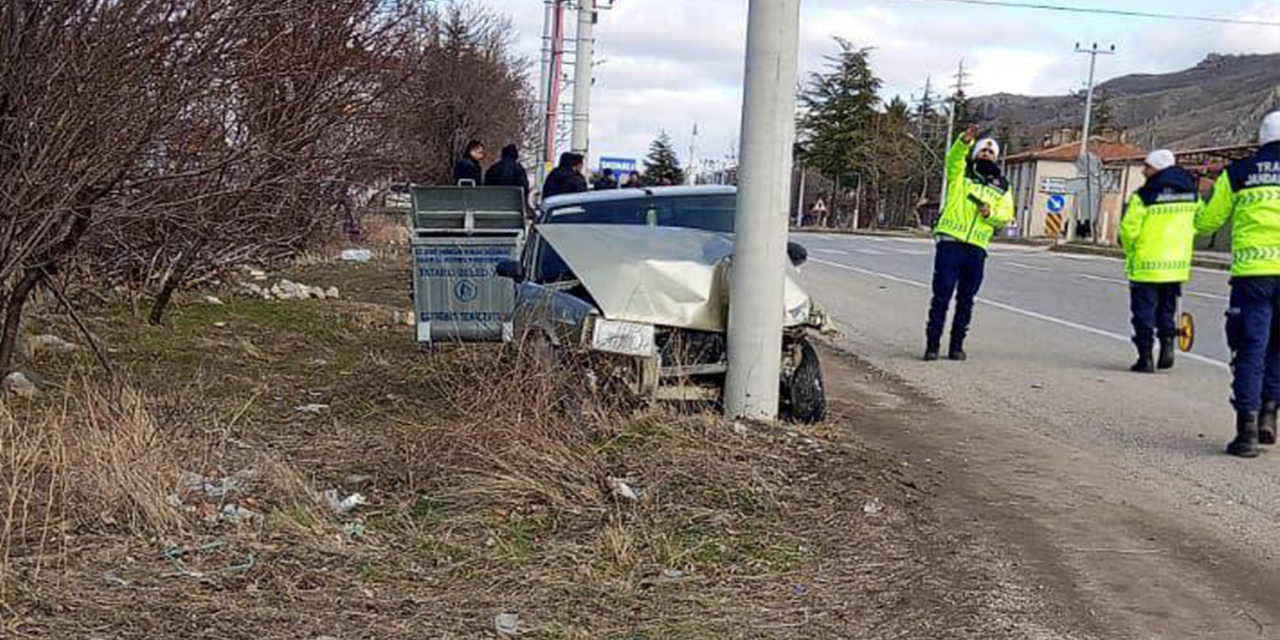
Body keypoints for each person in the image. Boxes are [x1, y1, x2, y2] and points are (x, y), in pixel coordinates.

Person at [1195, 110, 1280, 458]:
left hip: (1253, 275)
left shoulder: (1239, 172)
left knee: (1250, 349)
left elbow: (1207, 222)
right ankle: (1270, 414)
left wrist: (1197, 204)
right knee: (1278, 347)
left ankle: (1246, 431)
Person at [923, 125, 1014, 361]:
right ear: (975, 153)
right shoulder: (961, 173)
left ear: (996, 157)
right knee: (942, 295)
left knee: (966, 300)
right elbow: (953, 160)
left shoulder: (1002, 186)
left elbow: (1006, 214)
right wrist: (964, 141)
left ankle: (956, 346)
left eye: (991, 152)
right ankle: (932, 345)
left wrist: (990, 213)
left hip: (977, 247)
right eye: (983, 150)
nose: (987, 154)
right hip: (950, 242)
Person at [1118, 149, 1199, 373]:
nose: (1143, 171)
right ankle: (1167, 347)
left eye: (1147, 166)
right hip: (1176, 265)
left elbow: (1129, 229)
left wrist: (1131, 250)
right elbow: (1200, 221)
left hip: (1147, 264)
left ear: (1157, 169)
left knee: (1144, 312)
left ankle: (1145, 358)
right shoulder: (1192, 194)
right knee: (1167, 308)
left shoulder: (1145, 196)